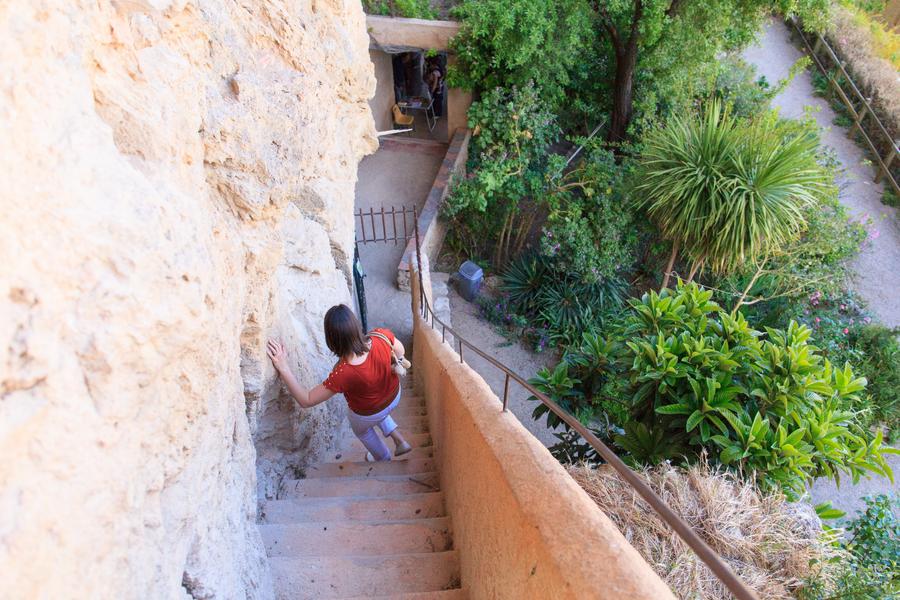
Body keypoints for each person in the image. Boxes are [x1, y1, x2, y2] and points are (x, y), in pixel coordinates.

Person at [266, 304, 412, 462]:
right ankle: (399, 440)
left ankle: (383, 457)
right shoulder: (381, 336)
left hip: (369, 412)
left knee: (363, 431)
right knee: (376, 405)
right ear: (355, 325)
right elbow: (400, 351)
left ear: (332, 340)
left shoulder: (343, 373)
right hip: (394, 395)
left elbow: (306, 400)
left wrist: (284, 367)